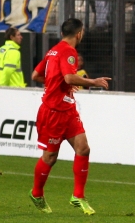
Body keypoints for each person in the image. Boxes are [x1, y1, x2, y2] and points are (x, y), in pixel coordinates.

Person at [29, 18, 111, 216]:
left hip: (67, 110)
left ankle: (78, 196)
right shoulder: (68, 51)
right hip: (53, 112)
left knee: (83, 148)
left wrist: (57, 85)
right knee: (50, 157)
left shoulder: (53, 50)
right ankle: (37, 193)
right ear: (79, 33)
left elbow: (36, 75)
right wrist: (93, 81)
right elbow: (68, 77)